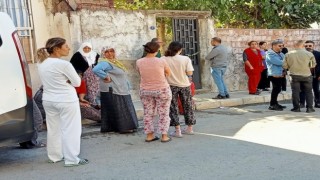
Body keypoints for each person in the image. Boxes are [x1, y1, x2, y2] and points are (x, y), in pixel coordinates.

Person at [36, 37, 88, 166]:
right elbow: (77, 82)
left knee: (54, 129)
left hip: (48, 99)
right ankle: (72, 159)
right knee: (71, 129)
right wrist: (68, 80)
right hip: (66, 100)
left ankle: (54, 156)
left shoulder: (41, 63)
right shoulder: (64, 64)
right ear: (56, 49)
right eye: (65, 46)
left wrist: (67, 79)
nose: (68, 48)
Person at [93, 47, 138, 134]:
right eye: (107, 52)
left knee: (117, 108)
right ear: (103, 53)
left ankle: (116, 127)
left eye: (112, 51)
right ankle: (124, 127)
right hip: (114, 89)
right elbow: (95, 69)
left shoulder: (115, 62)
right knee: (120, 108)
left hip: (120, 88)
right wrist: (105, 76)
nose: (110, 54)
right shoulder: (105, 63)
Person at [136, 42, 172, 143]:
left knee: (148, 113)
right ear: (157, 50)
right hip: (162, 89)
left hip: (145, 90)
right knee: (164, 113)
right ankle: (164, 136)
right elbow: (168, 73)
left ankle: (149, 135)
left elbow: (140, 73)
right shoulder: (161, 61)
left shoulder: (139, 62)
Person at [163, 41, 196, 137]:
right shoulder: (185, 59)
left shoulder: (163, 59)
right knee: (188, 106)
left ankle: (178, 131)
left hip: (170, 85)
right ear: (180, 50)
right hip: (184, 85)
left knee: (173, 107)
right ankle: (189, 128)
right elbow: (190, 73)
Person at [283, 40, 316, 113]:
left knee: (295, 92)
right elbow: (312, 65)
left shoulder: (288, 54)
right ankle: (309, 108)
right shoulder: (309, 54)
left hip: (294, 75)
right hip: (306, 75)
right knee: (309, 92)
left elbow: (285, 66)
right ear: (303, 45)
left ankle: (296, 108)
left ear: (294, 45)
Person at [266, 40, 286, 111]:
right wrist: (286, 62)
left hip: (280, 73)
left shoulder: (280, 53)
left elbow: (285, 60)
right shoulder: (270, 54)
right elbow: (279, 62)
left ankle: (275, 103)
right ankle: (272, 105)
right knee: (276, 89)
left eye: (282, 46)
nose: (281, 47)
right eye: (279, 46)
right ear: (274, 46)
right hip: (274, 74)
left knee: (278, 89)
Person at [300, 40, 320, 108]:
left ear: (313, 46)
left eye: (310, 46)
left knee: (316, 89)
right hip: (304, 75)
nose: (308, 47)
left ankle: (317, 103)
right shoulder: (301, 54)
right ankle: (302, 103)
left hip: (315, 75)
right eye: (306, 46)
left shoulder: (318, 54)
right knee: (302, 89)